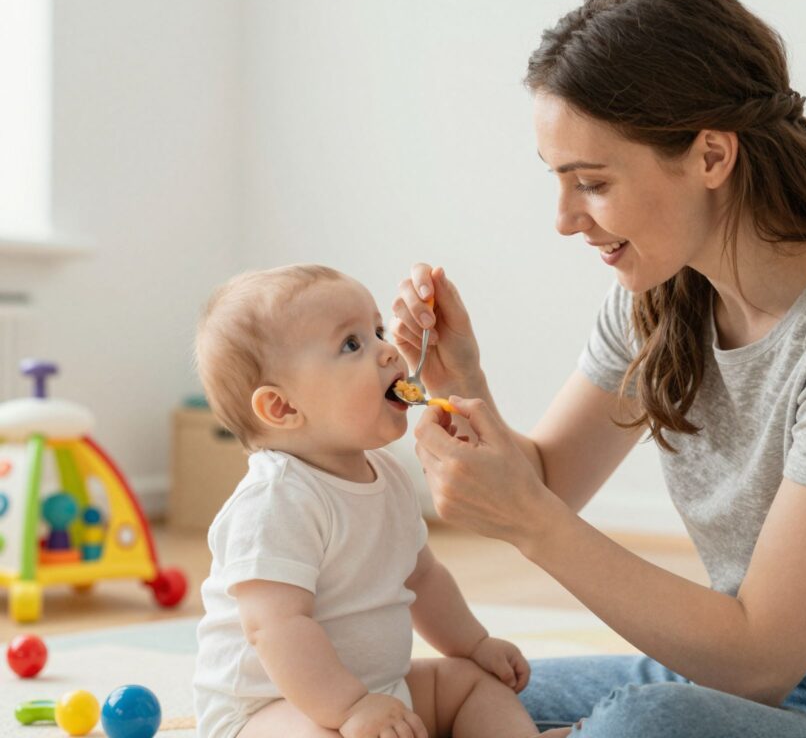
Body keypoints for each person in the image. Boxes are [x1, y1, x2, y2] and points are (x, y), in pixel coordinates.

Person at [389, 0, 806, 736]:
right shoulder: (659, 295)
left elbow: (760, 658)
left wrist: (531, 522)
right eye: (559, 182)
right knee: (421, 695)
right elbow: (548, 485)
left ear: (711, 155)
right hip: (727, 684)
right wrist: (461, 381)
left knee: (639, 727)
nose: (565, 219)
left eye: (593, 183)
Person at [191, 264, 569, 738]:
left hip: (380, 691)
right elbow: (276, 627)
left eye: (376, 331)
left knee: (475, 685)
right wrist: (349, 709)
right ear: (283, 408)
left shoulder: (388, 475)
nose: (388, 351)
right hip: (270, 709)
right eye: (352, 344)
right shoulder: (275, 500)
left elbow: (423, 577)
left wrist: (474, 644)